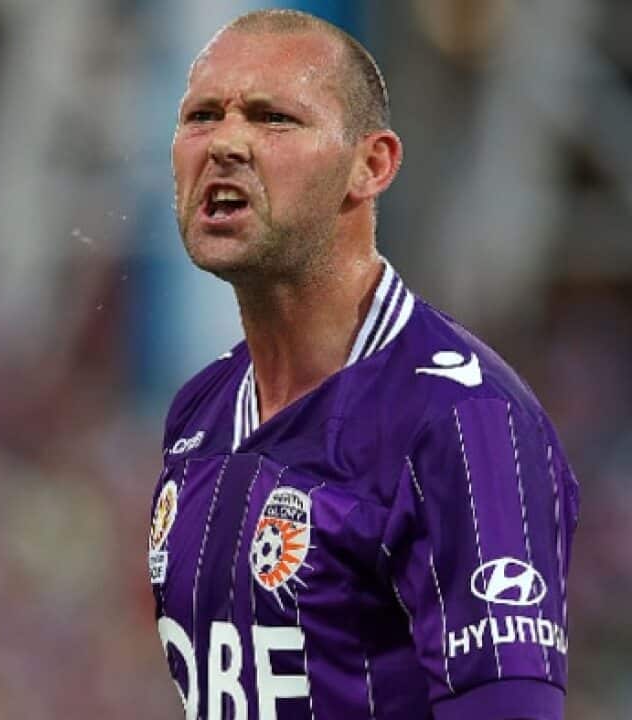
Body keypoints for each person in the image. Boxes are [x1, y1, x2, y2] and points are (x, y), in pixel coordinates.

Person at [150, 10, 577, 720]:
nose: (225, 143)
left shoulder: (467, 425)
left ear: (370, 165)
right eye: (201, 115)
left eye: (273, 118)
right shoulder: (200, 412)